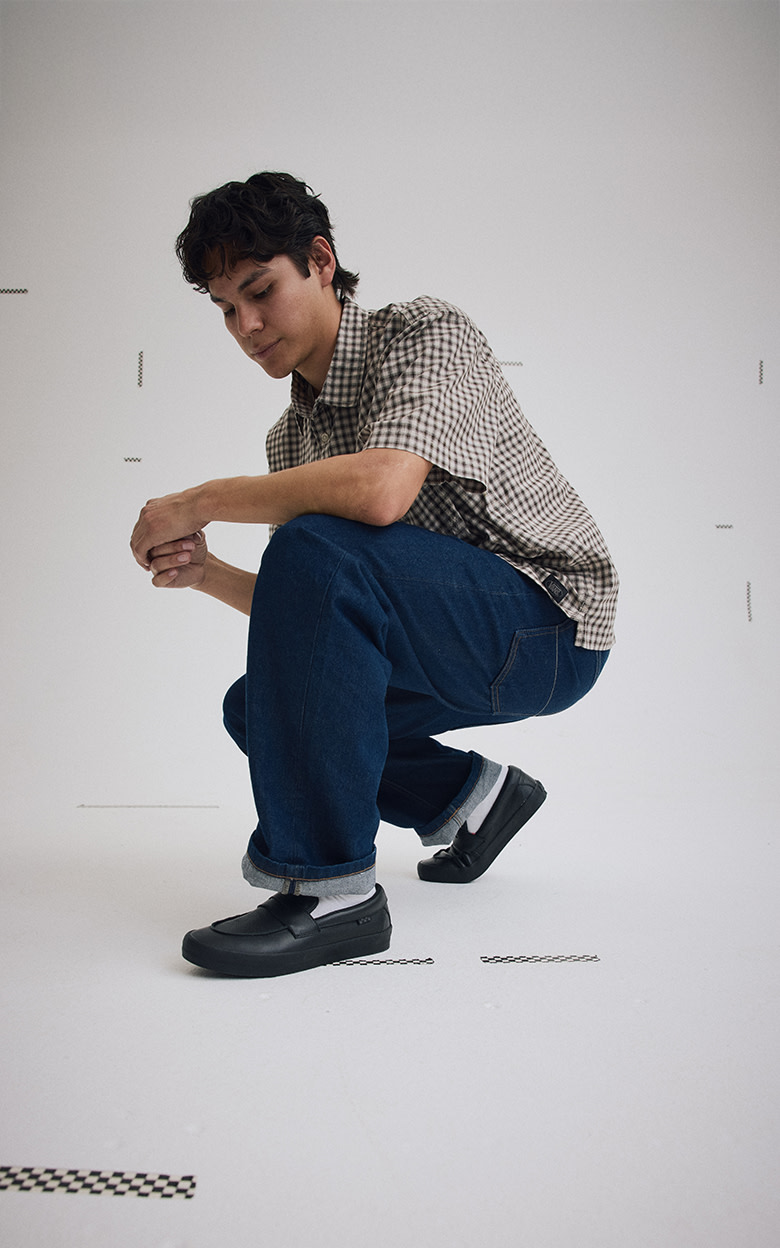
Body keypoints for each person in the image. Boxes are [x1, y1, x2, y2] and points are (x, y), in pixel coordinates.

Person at [130, 171, 618, 979]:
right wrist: (209, 571)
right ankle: (473, 800)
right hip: (457, 640)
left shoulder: (424, 332)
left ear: (320, 260)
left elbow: (382, 492)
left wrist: (202, 500)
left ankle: (333, 892)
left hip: (551, 625)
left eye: (259, 291)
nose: (246, 325)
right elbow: (316, 611)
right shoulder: (291, 441)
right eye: (224, 310)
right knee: (263, 708)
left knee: (317, 546)